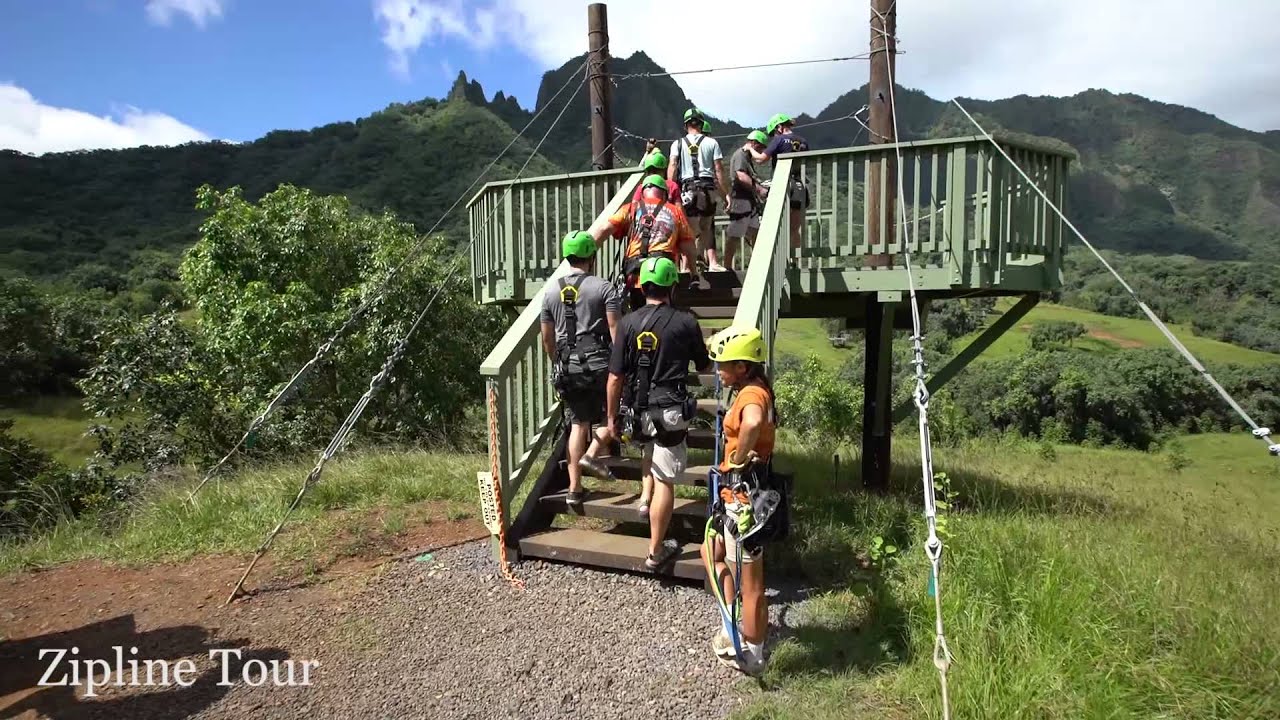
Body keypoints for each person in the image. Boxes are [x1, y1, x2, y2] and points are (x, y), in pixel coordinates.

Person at [605, 256, 711, 569]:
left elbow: (615, 377)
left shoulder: (627, 323)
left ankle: (643, 504)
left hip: (638, 411)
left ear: (642, 286)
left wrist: (610, 418)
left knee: (650, 458)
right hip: (670, 412)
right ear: (672, 287)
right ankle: (655, 552)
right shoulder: (686, 322)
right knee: (665, 481)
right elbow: (703, 366)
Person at [700, 325, 779, 676]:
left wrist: (736, 461)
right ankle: (736, 630)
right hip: (741, 493)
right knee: (712, 552)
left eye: (725, 364)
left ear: (743, 367)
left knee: (750, 578)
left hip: (743, 495)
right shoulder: (754, 388)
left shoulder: (751, 396)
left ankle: (751, 650)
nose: (719, 370)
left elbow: (753, 422)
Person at [539, 231, 621, 506]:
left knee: (577, 424)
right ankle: (594, 454)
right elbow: (614, 330)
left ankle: (574, 488)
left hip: (568, 366)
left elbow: (547, 338)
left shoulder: (550, 291)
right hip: (599, 364)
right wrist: (622, 364)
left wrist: (557, 361)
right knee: (611, 415)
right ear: (592, 256)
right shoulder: (604, 288)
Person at [590, 174, 696, 310]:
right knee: (665, 316)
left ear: (642, 194)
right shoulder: (675, 212)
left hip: (636, 275)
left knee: (638, 315)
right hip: (663, 275)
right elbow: (689, 248)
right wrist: (695, 275)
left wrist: (588, 259)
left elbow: (603, 229)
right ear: (664, 194)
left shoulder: (630, 209)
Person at [668, 108, 729, 273]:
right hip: (708, 190)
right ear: (701, 124)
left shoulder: (677, 144)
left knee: (689, 231)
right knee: (707, 229)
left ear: (686, 125)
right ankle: (712, 264)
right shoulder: (712, 143)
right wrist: (726, 195)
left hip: (688, 189)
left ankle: (687, 267)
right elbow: (719, 170)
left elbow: (673, 166)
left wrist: (670, 189)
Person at [762, 113, 812, 251]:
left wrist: (749, 149)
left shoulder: (779, 140)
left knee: (776, 225)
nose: (774, 136)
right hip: (799, 186)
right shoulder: (803, 142)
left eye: (773, 133)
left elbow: (761, 159)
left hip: (782, 185)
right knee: (794, 229)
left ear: (779, 127)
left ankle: (780, 255)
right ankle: (794, 260)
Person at [724, 130, 771, 270]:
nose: (761, 150)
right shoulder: (740, 155)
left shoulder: (747, 157)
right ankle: (727, 267)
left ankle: (757, 265)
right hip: (741, 200)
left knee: (755, 233)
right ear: (754, 143)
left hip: (749, 202)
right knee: (734, 234)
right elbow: (741, 176)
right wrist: (760, 189)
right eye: (761, 147)